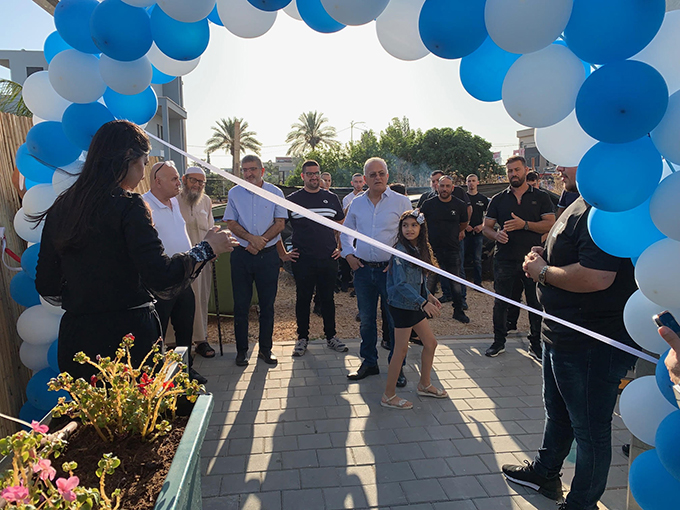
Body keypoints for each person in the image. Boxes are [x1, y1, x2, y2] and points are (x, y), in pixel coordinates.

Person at [35, 120, 237, 380]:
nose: (143, 174)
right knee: (130, 405)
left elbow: (47, 284)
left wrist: (86, 295)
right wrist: (206, 249)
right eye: (143, 162)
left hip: (78, 342)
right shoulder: (129, 206)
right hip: (127, 341)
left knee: (90, 406)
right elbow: (161, 277)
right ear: (128, 158)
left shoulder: (62, 207)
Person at [502, 164, 638, 510]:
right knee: (558, 411)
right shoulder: (579, 200)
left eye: (568, 158)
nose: (559, 166)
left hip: (591, 342)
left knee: (590, 430)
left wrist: (543, 272)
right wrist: (543, 255)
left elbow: (597, 276)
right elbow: (571, 253)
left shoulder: (605, 209)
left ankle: (581, 503)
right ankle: (545, 472)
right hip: (563, 333)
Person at [341, 157, 412, 385]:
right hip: (363, 271)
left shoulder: (401, 202)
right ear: (365, 179)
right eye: (372, 174)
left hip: (391, 272)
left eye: (381, 173)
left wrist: (398, 260)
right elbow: (345, 231)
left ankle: (397, 368)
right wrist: (348, 255)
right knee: (366, 321)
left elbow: (410, 235)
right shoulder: (357, 204)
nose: (377, 177)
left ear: (387, 176)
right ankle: (369, 362)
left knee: (394, 321)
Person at [482, 156, 555, 359]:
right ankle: (498, 342)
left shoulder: (541, 197)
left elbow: (550, 224)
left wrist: (525, 225)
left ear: (525, 170)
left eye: (516, 170)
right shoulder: (498, 199)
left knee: (535, 303)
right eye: (509, 171)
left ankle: (535, 344)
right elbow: (486, 228)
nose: (513, 174)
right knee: (501, 302)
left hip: (532, 259)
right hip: (504, 259)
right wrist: (496, 235)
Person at [143, 161, 208, 384]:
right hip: (159, 283)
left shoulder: (174, 202)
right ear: (157, 182)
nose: (178, 183)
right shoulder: (144, 205)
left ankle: (185, 372)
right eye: (173, 179)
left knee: (184, 328)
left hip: (182, 278)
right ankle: (157, 379)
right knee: (157, 334)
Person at [224, 155, 287, 367]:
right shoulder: (234, 193)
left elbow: (280, 223)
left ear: (262, 171)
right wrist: (251, 239)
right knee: (241, 305)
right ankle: (242, 351)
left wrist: (261, 242)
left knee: (267, 306)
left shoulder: (275, 193)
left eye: (252, 169)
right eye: (245, 170)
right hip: (242, 255)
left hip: (267, 256)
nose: (248, 173)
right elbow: (231, 222)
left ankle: (266, 350)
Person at [381, 210, 446, 409]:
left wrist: (429, 296)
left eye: (413, 225)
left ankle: (424, 384)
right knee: (400, 350)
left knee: (430, 343)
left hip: (414, 304)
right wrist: (423, 302)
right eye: (405, 225)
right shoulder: (400, 251)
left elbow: (418, 280)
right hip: (402, 306)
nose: (409, 229)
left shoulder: (418, 249)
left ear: (421, 228)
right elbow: (401, 284)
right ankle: (388, 396)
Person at [281, 160, 348, 357]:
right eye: (309, 174)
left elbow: (342, 224)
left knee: (327, 299)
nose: (314, 177)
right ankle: (302, 338)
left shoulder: (331, 198)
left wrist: (340, 247)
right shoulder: (292, 200)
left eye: (316, 173)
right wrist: (283, 253)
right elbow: (278, 226)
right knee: (303, 299)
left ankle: (331, 337)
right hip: (303, 260)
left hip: (328, 258)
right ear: (303, 176)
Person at [177, 166, 216, 359]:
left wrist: (214, 249)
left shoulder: (206, 201)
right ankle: (174, 343)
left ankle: (201, 340)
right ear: (184, 179)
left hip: (201, 262)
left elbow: (211, 229)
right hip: (179, 260)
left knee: (200, 299)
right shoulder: (173, 199)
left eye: (201, 182)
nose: (197, 185)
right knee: (178, 300)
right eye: (194, 180)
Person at [420, 175, 470, 323]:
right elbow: (421, 222)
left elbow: (464, 223)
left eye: (448, 186)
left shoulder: (460, 205)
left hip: (452, 249)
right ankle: (425, 311)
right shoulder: (428, 204)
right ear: (437, 187)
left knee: (455, 282)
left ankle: (458, 311)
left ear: (452, 188)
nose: (444, 189)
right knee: (430, 282)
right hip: (432, 250)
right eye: (442, 186)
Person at [460, 173, 489, 304]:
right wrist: (465, 226)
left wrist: (481, 226)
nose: (471, 183)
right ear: (466, 183)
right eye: (469, 181)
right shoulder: (462, 198)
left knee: (477, 259)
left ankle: (478, 283)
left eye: (473, 181)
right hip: (464, 233)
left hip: (477, 233)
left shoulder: (483, 199)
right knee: (461, 259)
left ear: (478, 182)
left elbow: (489, 216)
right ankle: (461, 284)